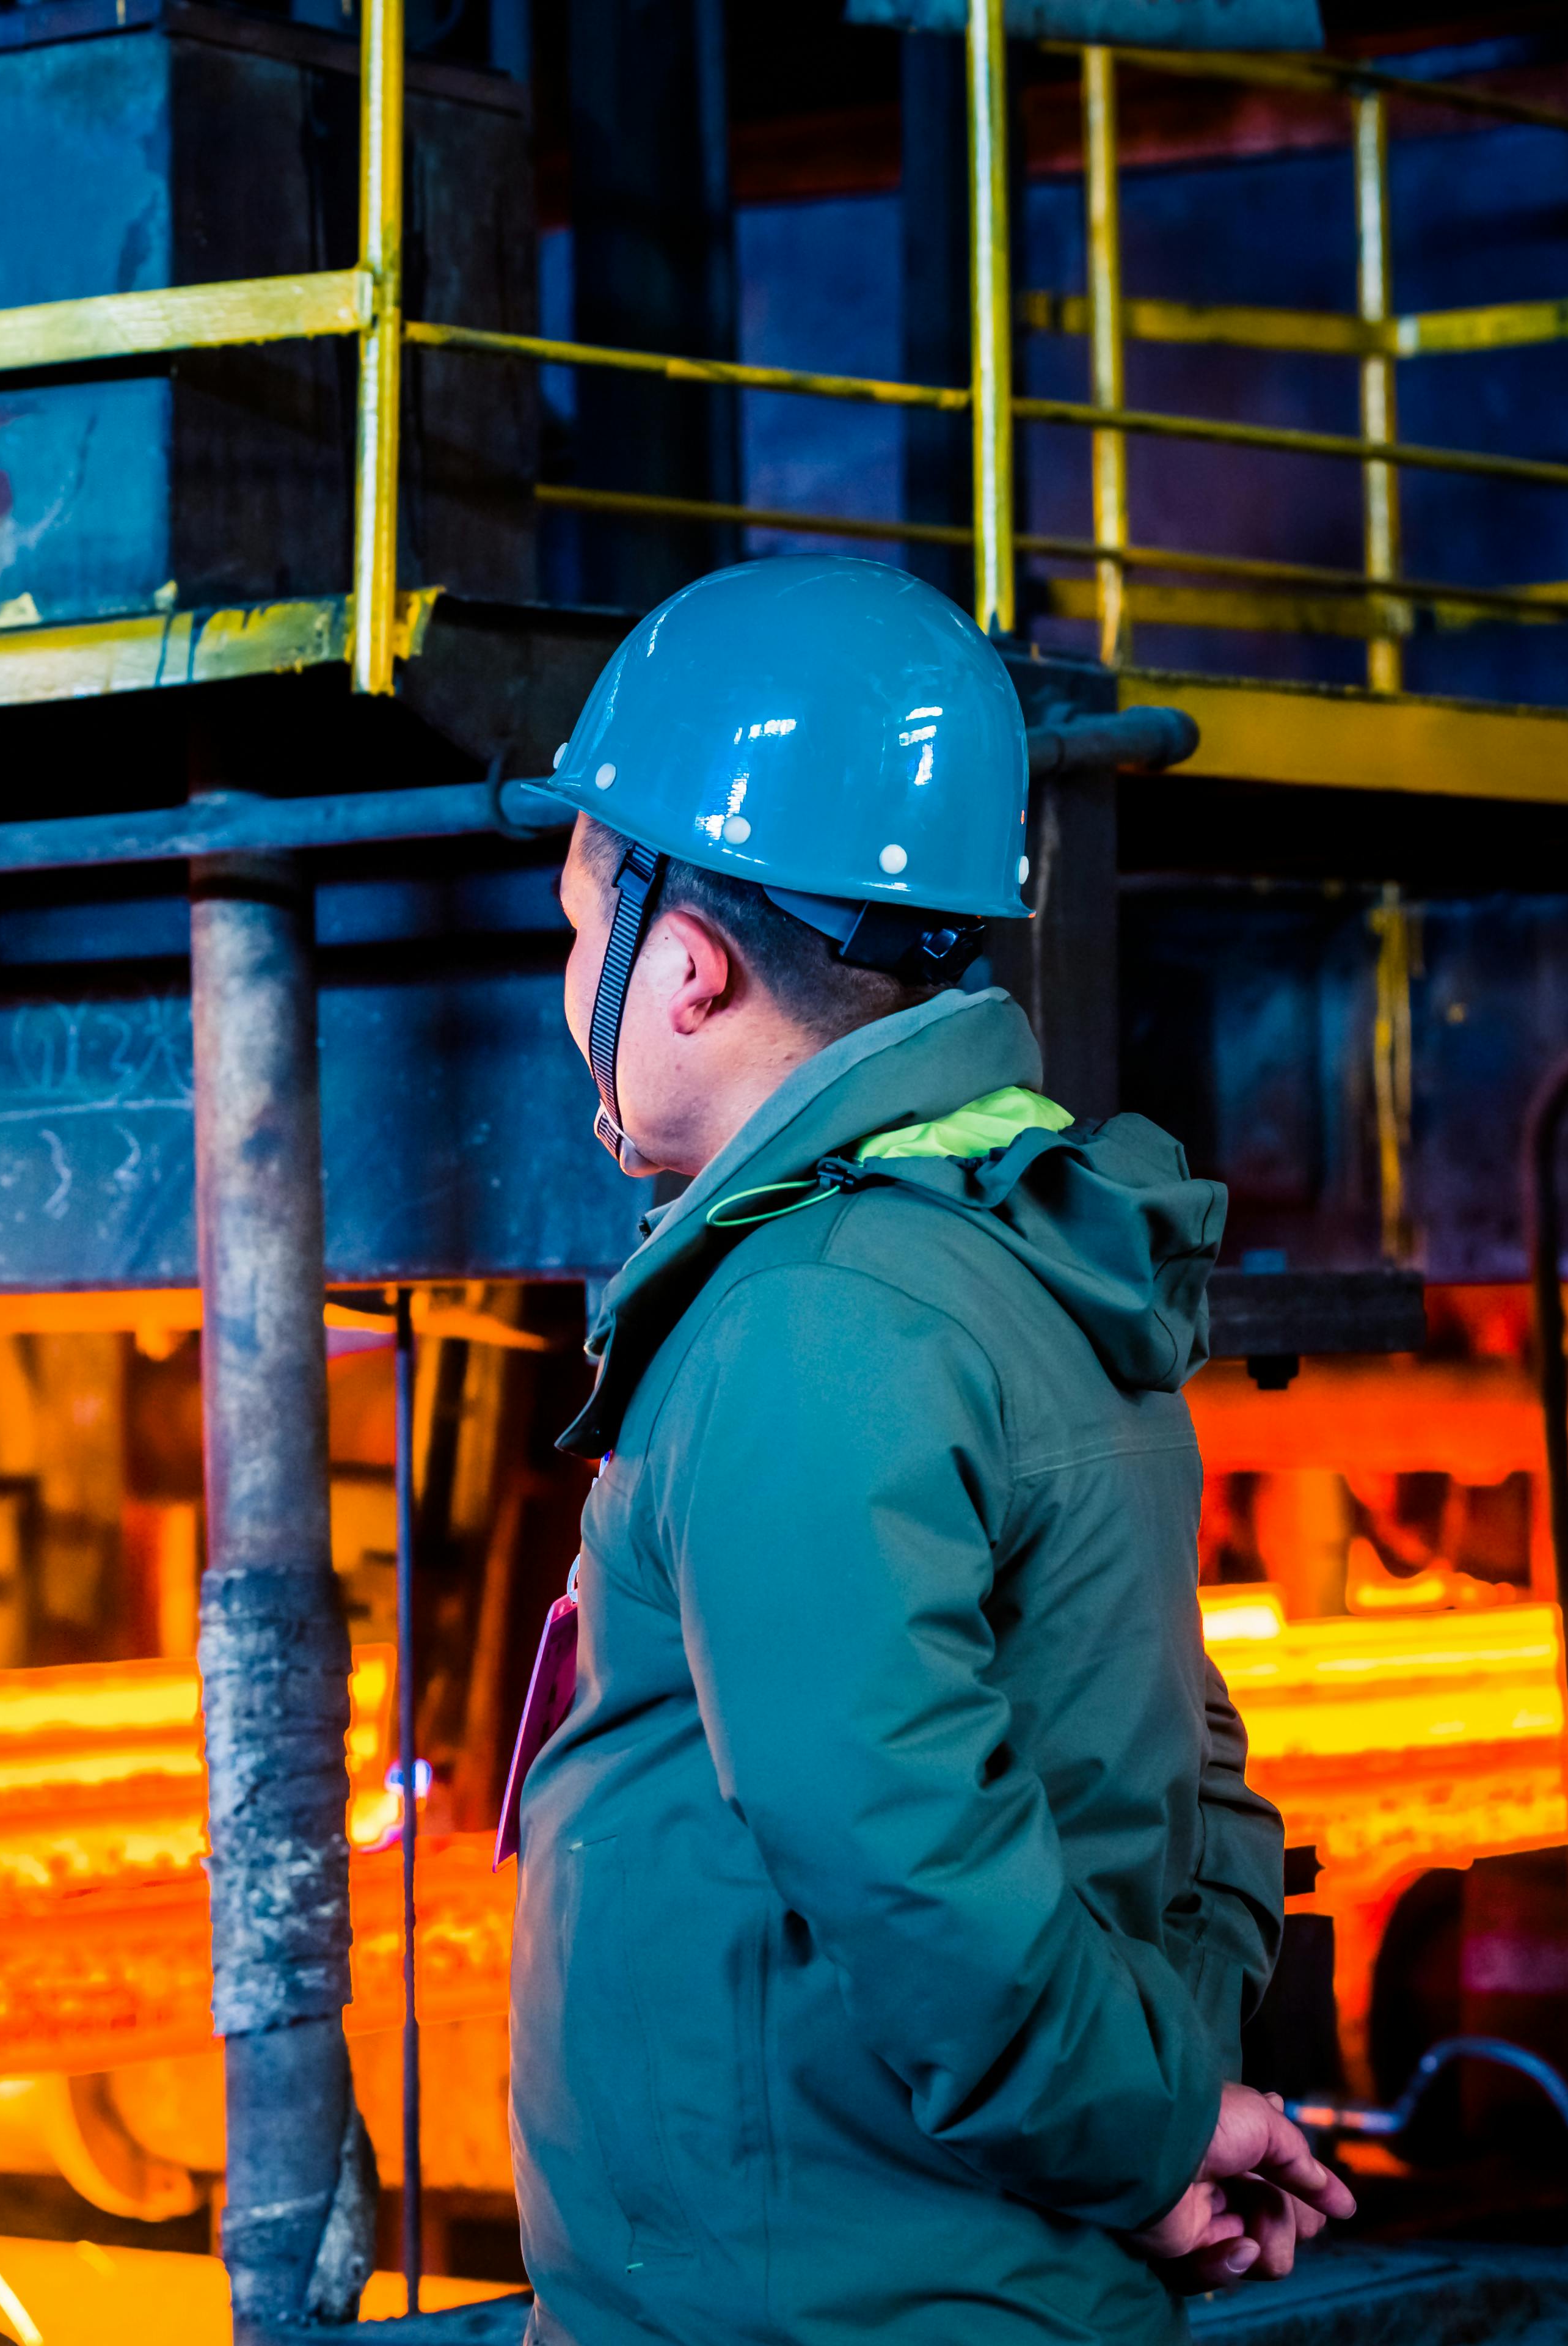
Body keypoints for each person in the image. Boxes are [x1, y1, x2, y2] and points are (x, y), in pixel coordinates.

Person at [497, 555, 1355, 2345]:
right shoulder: (1015, 1249)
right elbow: (1193, 1771)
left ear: (687, 963)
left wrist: (1149, 2133)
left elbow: (903, 1855)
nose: (563, 973)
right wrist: (1167, 2109)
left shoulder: (813, 1319)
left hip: (822, 2301)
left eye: (580, 925)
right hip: (968, 2270)